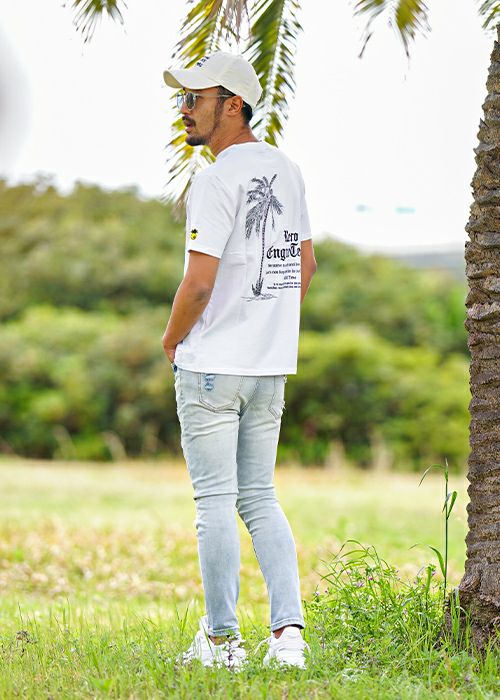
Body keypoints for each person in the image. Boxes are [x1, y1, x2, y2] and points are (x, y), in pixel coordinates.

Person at [161, 52, 317, 670]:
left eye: (193, 99)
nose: (183, 111)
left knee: (214, 503)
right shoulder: (288, 170)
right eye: (181, 99)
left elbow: (198, 284)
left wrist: (172, 340)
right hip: (268, 367)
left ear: (233, 105)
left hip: (212, 368)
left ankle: (224, 642)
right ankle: (289, 638)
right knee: (259, 497)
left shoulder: (215, 179)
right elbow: (304, 266)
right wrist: (265, 326)